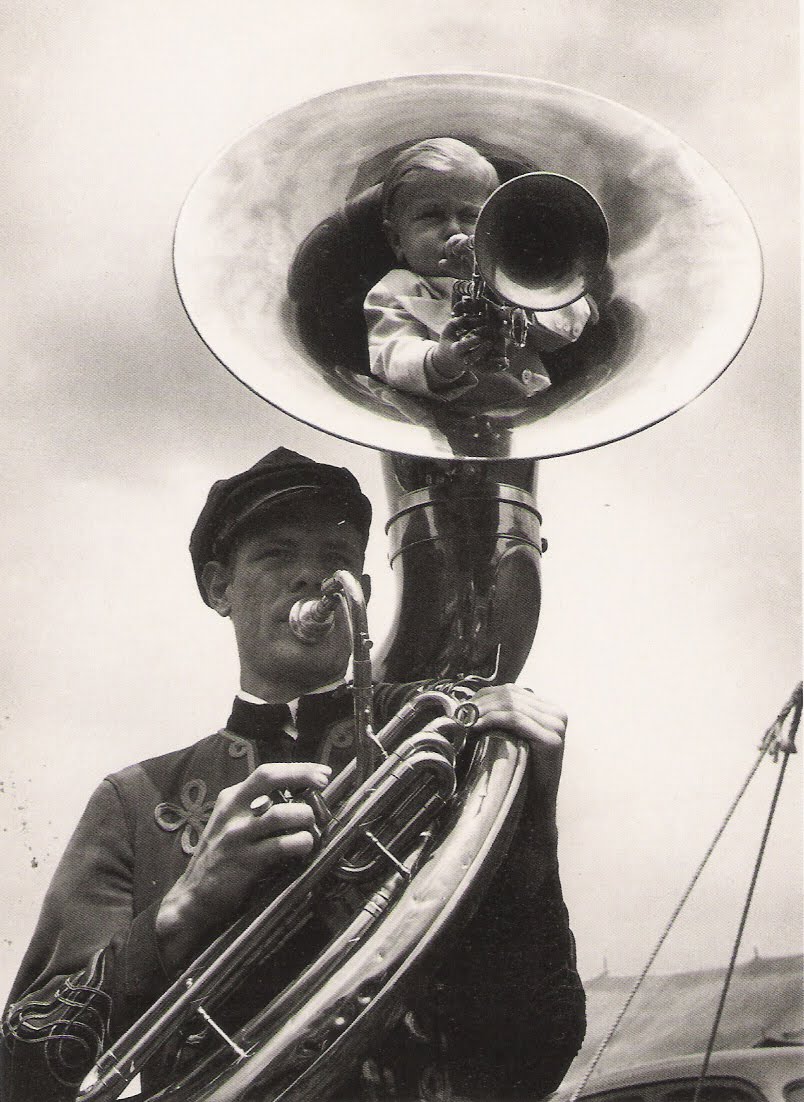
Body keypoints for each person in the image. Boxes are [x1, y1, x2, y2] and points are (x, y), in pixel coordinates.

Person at [1, 447, 585, 1102]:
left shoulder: (442, 750)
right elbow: (23, 1068)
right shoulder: (134, 803)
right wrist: (186, 906)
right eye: (277, 555)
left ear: (360, 583)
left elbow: (538, 1050)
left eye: (336, 559)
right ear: (219, 587)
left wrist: (531, 826)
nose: (315, 578)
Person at [364, 138, 597, 406]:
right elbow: (390, 357)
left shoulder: (509, 269)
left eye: (470, 216)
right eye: (431, 215)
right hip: (445, 419)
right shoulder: (396, 288)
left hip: (533, 407)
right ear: (396, 239)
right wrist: (442, 361)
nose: (454, 229)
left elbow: (569, 326)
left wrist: (504, 287)